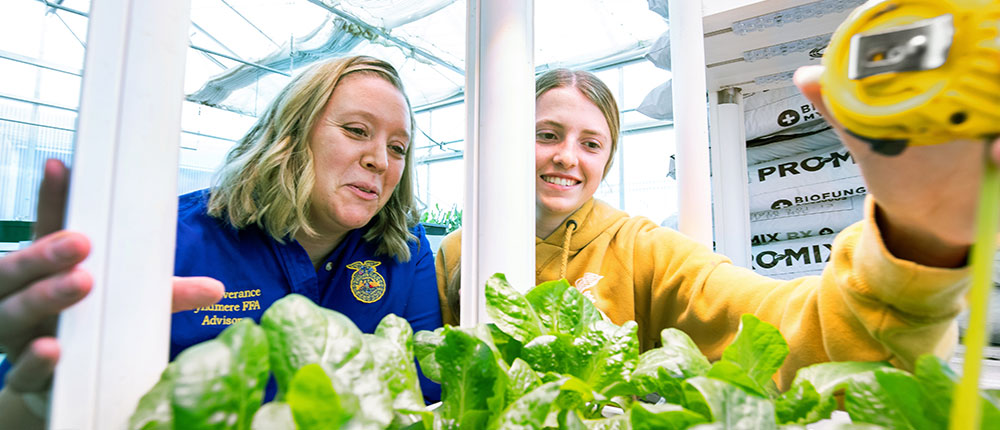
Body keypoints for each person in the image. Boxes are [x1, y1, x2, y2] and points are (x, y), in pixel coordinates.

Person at [437, 65, 999, 390]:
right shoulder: (457, 253)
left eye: (590, 144)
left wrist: (912, 245)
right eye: (547, 134)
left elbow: (780, 323)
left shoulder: (641, 248)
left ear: (606, 163)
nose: (567, 156)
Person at [1, 55, 442, 428]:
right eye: (357, 130)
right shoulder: (170, 239)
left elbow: (423, 400)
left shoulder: (406, 250)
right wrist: (47, 399)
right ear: (290, 135)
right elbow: (33, 396)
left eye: (399, 148)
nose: (380, 160)